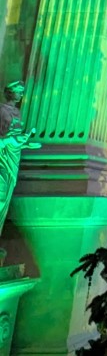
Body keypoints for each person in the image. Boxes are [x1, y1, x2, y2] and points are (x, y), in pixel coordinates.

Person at [0, 81, 38, 238]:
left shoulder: (18, 112)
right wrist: (16, 141)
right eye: (19, 91)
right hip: (3, 157)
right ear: (10, 92)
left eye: (22, 92)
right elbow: (6, 138)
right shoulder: (2, 110)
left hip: (13, 157)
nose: (21, 95)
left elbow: (15, 138)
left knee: (6, 196)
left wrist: (27, 143)